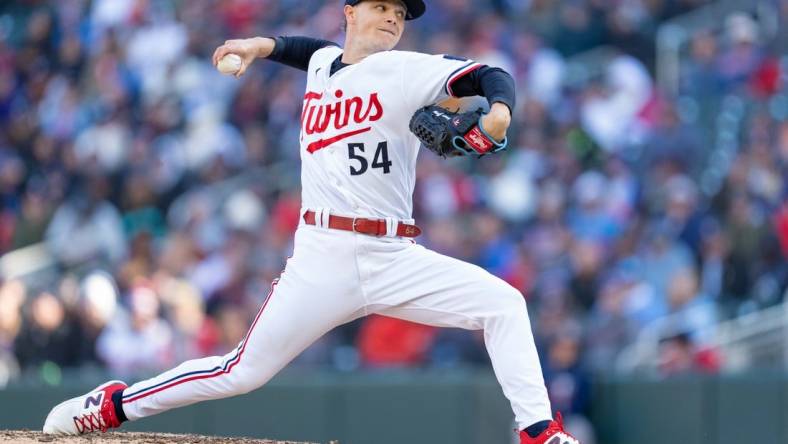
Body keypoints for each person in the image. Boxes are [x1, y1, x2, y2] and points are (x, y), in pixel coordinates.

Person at [42, 1, 579, 443]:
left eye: (400, 11)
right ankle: (113, 405)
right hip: (323, 256)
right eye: (380, 6)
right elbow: (307, 51)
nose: (393, 17)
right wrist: (257, 46)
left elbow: (490, 74)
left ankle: (537, 432)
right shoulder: (325, 63)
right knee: (240, 372)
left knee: (503, 304)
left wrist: (499, 112)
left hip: (395, 255)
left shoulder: (407, 69)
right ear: (349, 12)